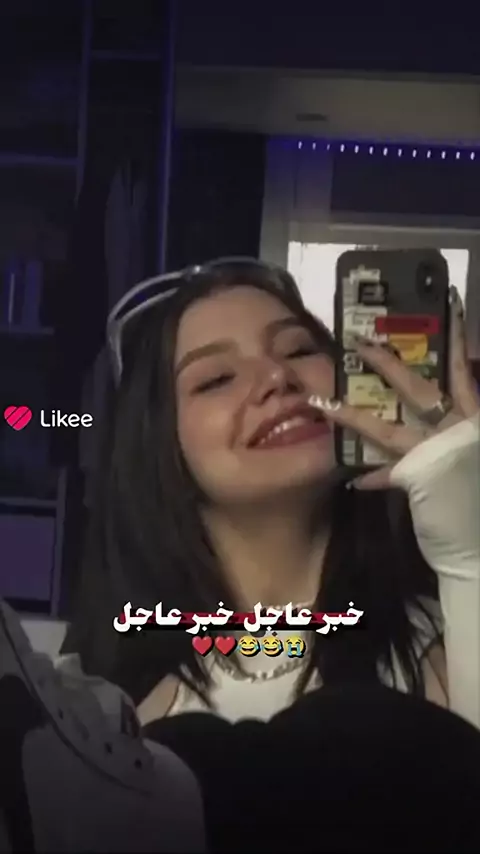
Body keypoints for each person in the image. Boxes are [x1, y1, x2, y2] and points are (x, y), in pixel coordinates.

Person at [60, 258, 480, 849]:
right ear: (160, 447)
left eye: (300, 349)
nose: (278, 378)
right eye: (215, 379)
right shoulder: (112, 713)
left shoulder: (452, 637)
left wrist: (472, 558)